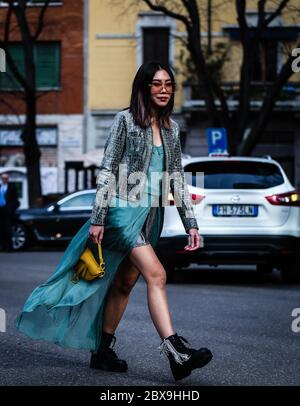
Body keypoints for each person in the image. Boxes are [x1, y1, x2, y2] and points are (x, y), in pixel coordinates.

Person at [15, 61, 213, 381]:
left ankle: (103, 351)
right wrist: (98, 217)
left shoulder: (173, 129)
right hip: (123, 211)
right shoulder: (125, 120)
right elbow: (107, 170)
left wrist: (191, 222)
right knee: (157, 274)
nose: (163, 90)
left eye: (168, 84)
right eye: (156, 84)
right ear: (144, 87)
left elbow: (175, 178)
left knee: (125, 283)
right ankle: (176, 351)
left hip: (151, 215)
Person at [0, 173, 20, 251]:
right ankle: (2, 245)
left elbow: (15, 199)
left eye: (6, 178)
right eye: (3, 178)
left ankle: (9, 246)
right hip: (0, 209)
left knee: (8, 228)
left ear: (8, 179)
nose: (4, 179)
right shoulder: (0, 187)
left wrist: (12, 208)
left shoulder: (12, 187)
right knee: (1, 228)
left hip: (8, 210)